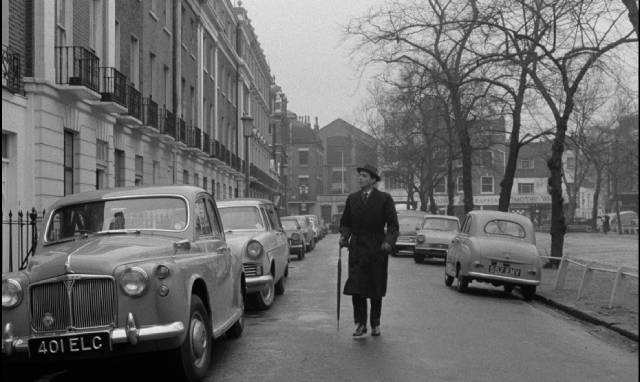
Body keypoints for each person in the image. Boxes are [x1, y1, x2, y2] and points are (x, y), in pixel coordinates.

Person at [339, 164, 399, 338]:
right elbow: (346, 223)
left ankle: (375, 323)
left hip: (376, 249)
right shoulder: (352, 199)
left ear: (373, 180)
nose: (360, 178)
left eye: (364, 176)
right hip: (357, 249)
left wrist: (388, 242)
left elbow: (393, 225)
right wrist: (344, 236)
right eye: (359, 176)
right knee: (356, 288)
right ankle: (360, 324)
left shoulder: (384, 199)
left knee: (375, 287)